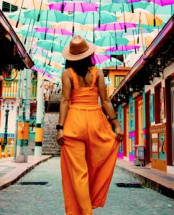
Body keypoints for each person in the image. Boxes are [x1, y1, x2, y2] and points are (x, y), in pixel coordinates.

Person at [57, 35, 124, 215]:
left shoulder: (67, 74)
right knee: (96, 165)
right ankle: (91, 201)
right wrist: (116, 125)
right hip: (96, 122)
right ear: (88, 54)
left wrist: (60, 128)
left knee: (79, 173)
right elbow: (106, 101)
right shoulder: (98, 72)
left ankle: (85, 212)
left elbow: (64, 101)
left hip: (74, 123)